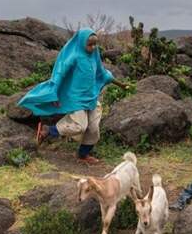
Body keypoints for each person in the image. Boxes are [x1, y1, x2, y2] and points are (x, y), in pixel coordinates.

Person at [18, 28, 127, 165]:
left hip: (91, 98)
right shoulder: (74, 57)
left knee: (93, 130)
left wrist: (121, 85)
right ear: (82, 42)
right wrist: (55, 94)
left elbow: (103, 73)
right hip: (76, 98)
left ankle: (83, 155)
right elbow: (60, 74)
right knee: (79, 126)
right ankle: (48, 130)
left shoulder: (94, 55)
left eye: (95, 45)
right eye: (90, 45)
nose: (93, 47)